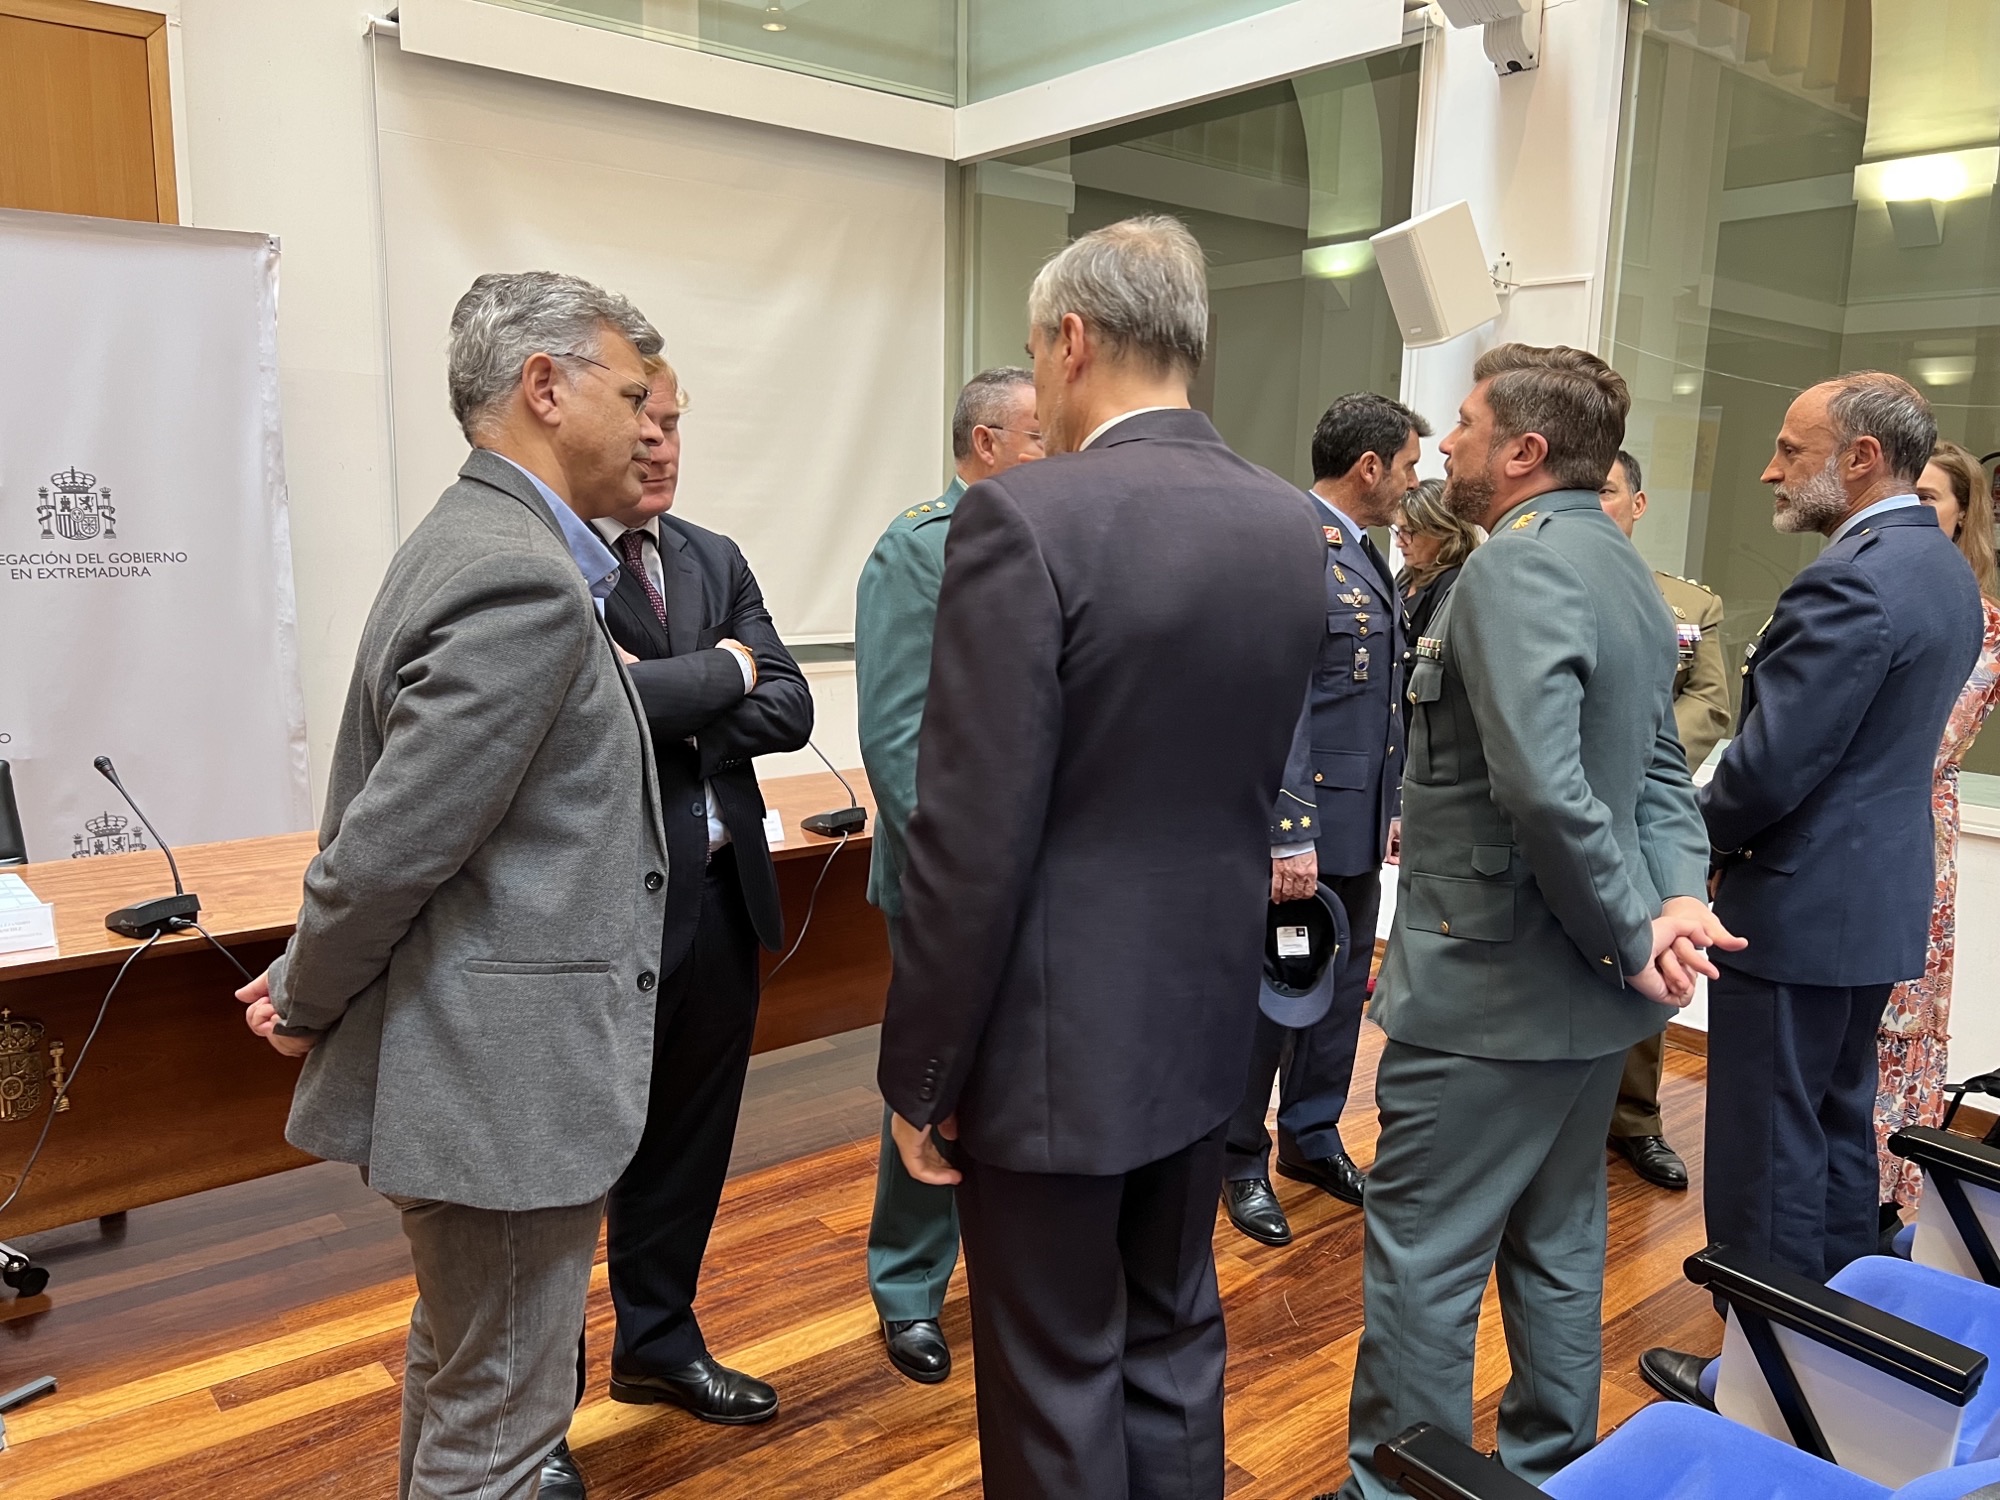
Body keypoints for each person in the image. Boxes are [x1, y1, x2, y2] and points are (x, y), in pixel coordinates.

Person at [877, 216, 1323, 1499]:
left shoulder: (1023, 518)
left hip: (1047, 1051)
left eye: (1033, 345)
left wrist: (921, 1075)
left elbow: (971, 839)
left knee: (1054, 1370)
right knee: (1173, 1336)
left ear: (1069, 342)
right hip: (1203, 1023)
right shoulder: (1286, 524)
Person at [234, 271, 671, 1500]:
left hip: (485, 1079)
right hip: (504, 1088)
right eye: (632, 394)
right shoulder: (518, 574)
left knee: (464, 1375)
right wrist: (307, 995)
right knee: (500, 1433)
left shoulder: (480, 538)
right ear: (544, 387)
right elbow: (392, 845)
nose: (651, 426)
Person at [1332, 344, 1729, 1500]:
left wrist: (1637, 924)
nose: (1441, 445)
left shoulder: (1514, 570)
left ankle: (1399, 1489)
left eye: (1461, 424)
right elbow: (1658, 770)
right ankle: (1548, 1468)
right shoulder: (1617, 565)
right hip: (1585, 999)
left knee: (1422, 1257)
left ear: (1522, 449)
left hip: (1487, 994)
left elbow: (1544, 788)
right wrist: (1672, 903)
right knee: (1556, 1245)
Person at [1642, 372, 1984, 1409]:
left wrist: (1672, 846)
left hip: (1792, 911)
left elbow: (1768, 768)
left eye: (1789, 451)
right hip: (1871, 905)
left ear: (1861, 458)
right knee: (1835, 1140)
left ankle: (1757, 1380)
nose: (1767, 469)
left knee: (1764, 1154)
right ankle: (1842, 1364)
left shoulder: (1847, 580)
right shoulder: (1942, 571)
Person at [536, 353, 815, 1496]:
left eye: (674, 423)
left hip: (718, 901)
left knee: (687, 1145)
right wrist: (724, 674)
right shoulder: (547, 565)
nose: (660, 441)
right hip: (599, 918)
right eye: (642, 417)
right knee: (564, 1165)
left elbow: (790, 702)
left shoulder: (712, 555)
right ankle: (532, 1417)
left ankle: (658, 1346)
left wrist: (679, 690)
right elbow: (589, 715)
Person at [855, 366, 1043, 1386]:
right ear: (983, 444)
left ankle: (1000, 1270)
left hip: (1039, 875)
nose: (1054, 454)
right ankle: (908, 1286)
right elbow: (896, 735)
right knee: (933, 1077)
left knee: (1014, 1082)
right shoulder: (921, 547)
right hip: (950, 880)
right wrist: (966, 876)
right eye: (1036, 439)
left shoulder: (1049, 541)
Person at [1221, 391, 1425, 1247]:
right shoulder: (1296, 545)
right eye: (1410, 466)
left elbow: (1379, 703)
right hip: (1303, 830)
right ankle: (1239, 1156)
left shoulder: (1368, 553)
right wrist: (1289, 828)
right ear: (1369, 465)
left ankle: (1312, 1136)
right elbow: (1284, 697)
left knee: (1340, 994)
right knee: (1277, 997)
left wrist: (1394, 802)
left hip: (1357, 817)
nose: (1417, 484)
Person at [1598, 447, 1731, 1192]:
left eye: (1612, 493)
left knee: (1652, 955)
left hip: (1644, 807)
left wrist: (1630, 757)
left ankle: (1634, 1121)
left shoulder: (1686, 604)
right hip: (1557, 802)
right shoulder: (1524, 580)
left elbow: (1709, 704)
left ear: (1638, 505)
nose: (1600, 505)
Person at [1875, 440, 2000, 1219]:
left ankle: (1882, 1196)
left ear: (1962, 518)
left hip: (1914, 836)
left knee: (1900, 1023)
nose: (1916, 511)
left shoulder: (1984, 627)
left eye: (1932, 499)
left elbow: (1929, 737)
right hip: (1863, 829)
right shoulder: (1869, 593)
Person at [1393, 476, 1481, 645]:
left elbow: (1440, 657)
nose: (1399, 542)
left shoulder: (1454, 582)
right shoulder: (1406, 577)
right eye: (1398, 531)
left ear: (1442, 530)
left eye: (1408, 532)